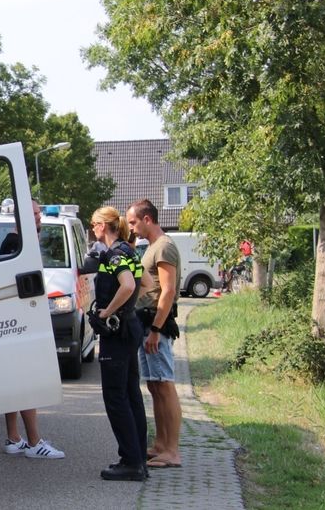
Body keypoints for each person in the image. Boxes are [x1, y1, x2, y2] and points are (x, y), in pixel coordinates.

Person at [81, 206, 147, 481]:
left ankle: (130, 462)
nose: (92, 229)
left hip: (117, 332)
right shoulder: (129, 250)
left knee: (115, 397)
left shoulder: (114, 254)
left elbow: (130, 285)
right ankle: (138, 458)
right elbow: (147, 282)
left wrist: (108, 311)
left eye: (93, 224)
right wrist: (128, 308)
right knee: (131, 394)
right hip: (130, 326)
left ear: (102, 226)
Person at [0, 200, 66, 459]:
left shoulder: (19, 241)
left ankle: (14, 438)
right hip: (20, 320)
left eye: (39, 213)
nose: (39, 217)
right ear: (23, 216)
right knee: (27, 380)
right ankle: (35, 442)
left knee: (14, 380)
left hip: (18, 318)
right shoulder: (16, 244)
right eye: (35, 213)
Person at [126, 199, 183, 469]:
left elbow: (168, 291)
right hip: (146, 325)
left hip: (156, 327)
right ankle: (161, 444)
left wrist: (157, 330)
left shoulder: (164, 247)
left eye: (133, 222)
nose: (131, 228)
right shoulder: (151, 247)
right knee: (154, 385)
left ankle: (172, 451)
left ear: (147, 219)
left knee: (165, 385)